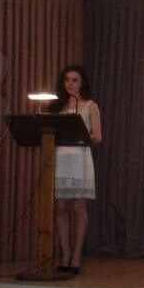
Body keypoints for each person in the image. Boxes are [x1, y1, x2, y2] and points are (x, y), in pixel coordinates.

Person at [46, 65, 102, 276]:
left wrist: (83, 132)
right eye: (67, 80)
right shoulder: (55, 108)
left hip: (80, 159)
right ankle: (65, 254)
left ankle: (76, 256)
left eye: (75, 80)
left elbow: (98, 137)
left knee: (79, 208)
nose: (70, 84)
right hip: (60, 159)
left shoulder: (90, 106)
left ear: (82, 83)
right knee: (60, 207)